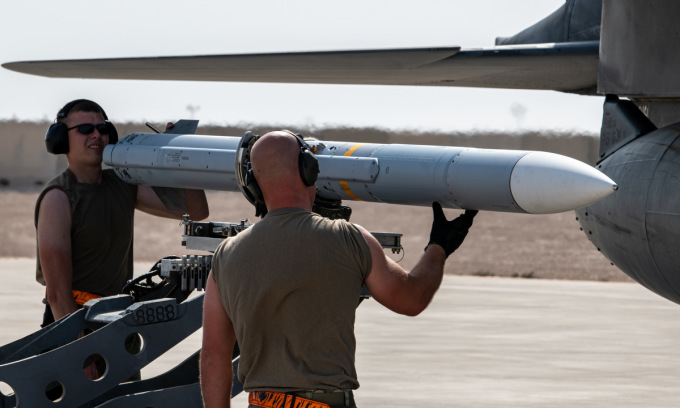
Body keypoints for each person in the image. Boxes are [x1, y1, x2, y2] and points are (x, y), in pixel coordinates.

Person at [200, 131, 477, 408]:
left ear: (254, 184)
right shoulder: (348, 239)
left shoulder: (226, 255)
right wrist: (438, 247)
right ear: (308, 170)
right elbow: (412, 299)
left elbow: (213, 357)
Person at [35, 99, 209, 328]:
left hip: (115, 317)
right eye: (85, 129)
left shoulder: (123, 183)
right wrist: (81, 344)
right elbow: (57, 294)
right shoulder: (57, 198)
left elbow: (196, 211)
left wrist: (180, 155)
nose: (96, 135)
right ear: (61, 138)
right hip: (72, 320)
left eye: (102, 128)